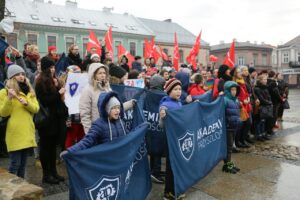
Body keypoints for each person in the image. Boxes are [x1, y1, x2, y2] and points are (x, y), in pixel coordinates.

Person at [0, 64, 39, 178]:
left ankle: (21, 188)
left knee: (23, 164)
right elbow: (3, 112)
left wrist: (27, 104)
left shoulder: (29, 90)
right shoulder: (4, 92)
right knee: (15, 163)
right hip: (15, 132)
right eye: (18, 74)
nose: (21, 76)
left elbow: (36, 108)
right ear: (12, 77)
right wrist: (9, 99)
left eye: (23, 74)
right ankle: (11, 189)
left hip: (27, 131)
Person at [35, 56, 68, 184]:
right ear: (45, 69)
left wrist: (60, 91)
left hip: (56, 119)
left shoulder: (55, 80)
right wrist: (58, 93)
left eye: (54, 67)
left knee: (53, 147)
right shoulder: (40, 82)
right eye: (50, 67)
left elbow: (58, 100)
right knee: (45, 147)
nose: (53, 69)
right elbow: (45, 101)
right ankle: (46, 174)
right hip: (46, 120)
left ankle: (54, 172)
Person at [62, 92, 128, 154]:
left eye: (118, 107)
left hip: (120, 160)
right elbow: (86, 141)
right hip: (107, 162)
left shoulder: (121, 122)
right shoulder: (99, 125)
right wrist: (70, 151)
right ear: (107, 109)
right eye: (113, 108)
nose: (117, 110)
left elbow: (129, 136)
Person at [80, 63, 134, 134]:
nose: (103, 75)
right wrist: (90, 133)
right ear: (94, 74)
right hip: (97, 130)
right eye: (100, 73)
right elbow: (85, 115)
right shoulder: (87, 90)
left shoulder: (107, 88)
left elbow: (114, 107)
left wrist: (131, 103)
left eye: (104, 73)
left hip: (110, 128)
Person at [159, 78, 185, 200]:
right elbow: (161, 124)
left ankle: (176, 188)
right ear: (169, 91)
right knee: (171, 166)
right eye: (175, 89)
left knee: (178, 164)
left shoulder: (179, 102)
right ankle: (168, 192)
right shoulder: (165, 105)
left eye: (180, 89)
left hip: (179, 139)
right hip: (170, 140)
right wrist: (163, 114)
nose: (178, 91)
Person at [223, 81, 241, 174]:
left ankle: (229, 163)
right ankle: (227, 165)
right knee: (228, 147)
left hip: (234, 126)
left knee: (230, 146)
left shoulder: (236, 100)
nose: (234, 91)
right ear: (227, 90)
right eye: (232, 90)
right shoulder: (224, 100)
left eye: (235, 89)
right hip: (228, 127)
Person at [254, 74, 273, 140]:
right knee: (259, 122)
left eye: (266, 79)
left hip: (266, 106)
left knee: (264, 121)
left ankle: (263, 134)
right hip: (261, 107)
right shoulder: (257, 88)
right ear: (260, 80)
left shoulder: (265, 87)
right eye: (264, 79)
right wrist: (269, 103)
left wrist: (269, 102)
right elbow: (261, 99)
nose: (266, 81)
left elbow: (269, 96)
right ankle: (258, 135)